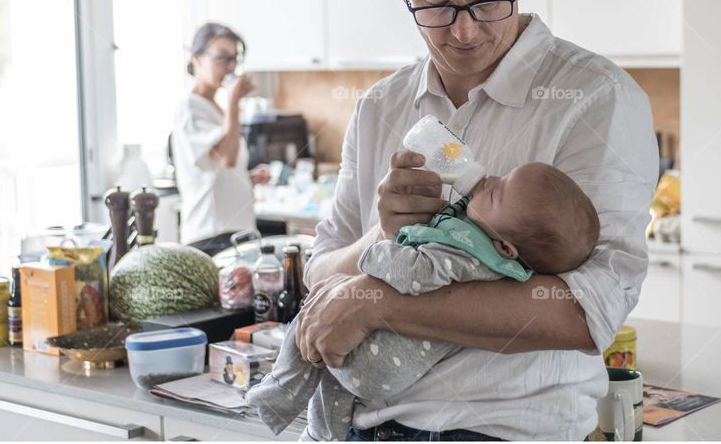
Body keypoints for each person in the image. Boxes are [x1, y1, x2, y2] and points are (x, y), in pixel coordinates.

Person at [297, 0, 658, 440]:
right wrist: (378, 238)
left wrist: (378, 302)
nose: (464, 33)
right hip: (354, 425)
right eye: (437, 7)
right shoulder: (379, 108)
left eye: (490, 2)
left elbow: (584, 311)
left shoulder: (596, 100)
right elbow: (319, 270)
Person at [247, 162, 600, 440]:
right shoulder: (492, 252)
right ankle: (324, 430)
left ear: (506, 249)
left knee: (317, 310)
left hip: (381, 367)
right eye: (503, 177)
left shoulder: (467, 254)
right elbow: (317, 265)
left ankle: (278, 391)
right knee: (332, 366)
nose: (491, 179)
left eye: (497, 194)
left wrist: (375, 255)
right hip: (378, 380)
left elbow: (413, 273)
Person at [172, 23, 271, 256]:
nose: (231, 67)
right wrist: (234, 100)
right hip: (211, 236)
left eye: (235, 59)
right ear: (196, 59)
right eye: (222, 58)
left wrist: (244, 179)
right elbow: (227, 157)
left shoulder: (215, 108)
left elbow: (220, 167)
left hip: (234, 233)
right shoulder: (190, 107)